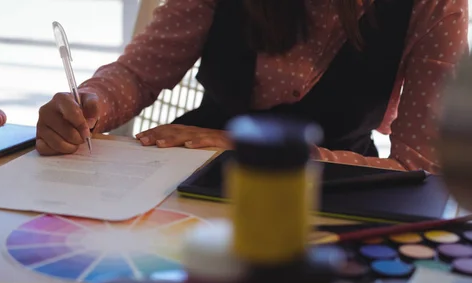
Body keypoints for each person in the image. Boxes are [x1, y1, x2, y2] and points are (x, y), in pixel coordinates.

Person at [36, 0, 468, 173]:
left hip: (329, 191)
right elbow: (138, 73)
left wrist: (256, 150)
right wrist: (93, 102)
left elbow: (421, 169)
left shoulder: (435, 6)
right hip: (193, 175)